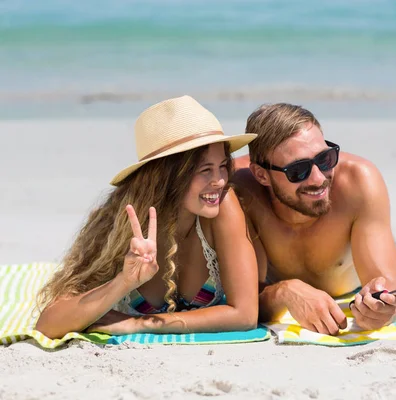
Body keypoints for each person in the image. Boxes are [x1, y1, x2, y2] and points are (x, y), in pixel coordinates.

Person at [35, 95, 259, 339]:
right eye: (205, 170)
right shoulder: (122, 223)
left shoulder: (223, 207)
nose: (219, 181)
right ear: (168, 175)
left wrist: (140, 323)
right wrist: (124, 282)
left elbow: (245, 315)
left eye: (223, 166)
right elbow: (48, 325)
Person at [232, 103, 396, 335]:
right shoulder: (240, 191)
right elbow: (244, 301)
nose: (318, 179)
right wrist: (285, 291)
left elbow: (390, 290)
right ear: (261, 174)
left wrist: (381, 309)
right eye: (297, 170)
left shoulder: (359, 181)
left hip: (351, 283)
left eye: (325, 159)